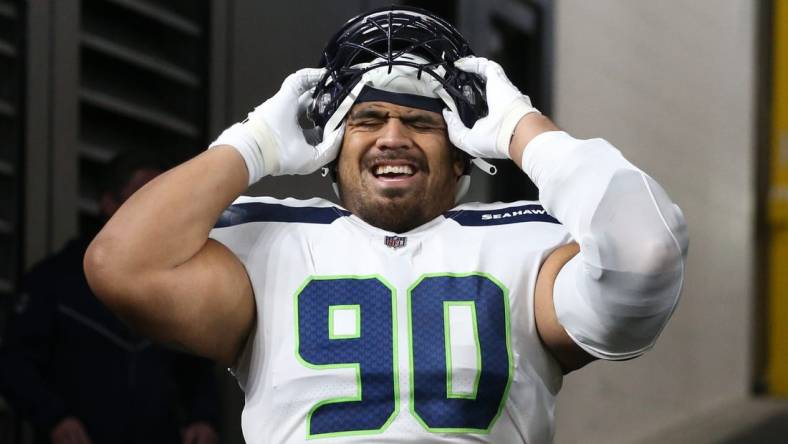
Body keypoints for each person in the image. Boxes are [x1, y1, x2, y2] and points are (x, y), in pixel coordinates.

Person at [83, 6, 688, 444]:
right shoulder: (270, 246)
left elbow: (646, 251)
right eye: (367, 119)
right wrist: (253, 143)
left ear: (463, 153)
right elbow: (121, 265)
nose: (392, 137)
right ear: (327, 150)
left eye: (421, 122)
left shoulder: (528, 247)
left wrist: (522, 129)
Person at [0, 151, 220, 444]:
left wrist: (202, 418)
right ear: (108, 203)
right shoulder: (57, 280)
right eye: (143, 199)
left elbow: (198, 368)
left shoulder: (176, 284)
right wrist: (54, 418)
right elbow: (15, 362)